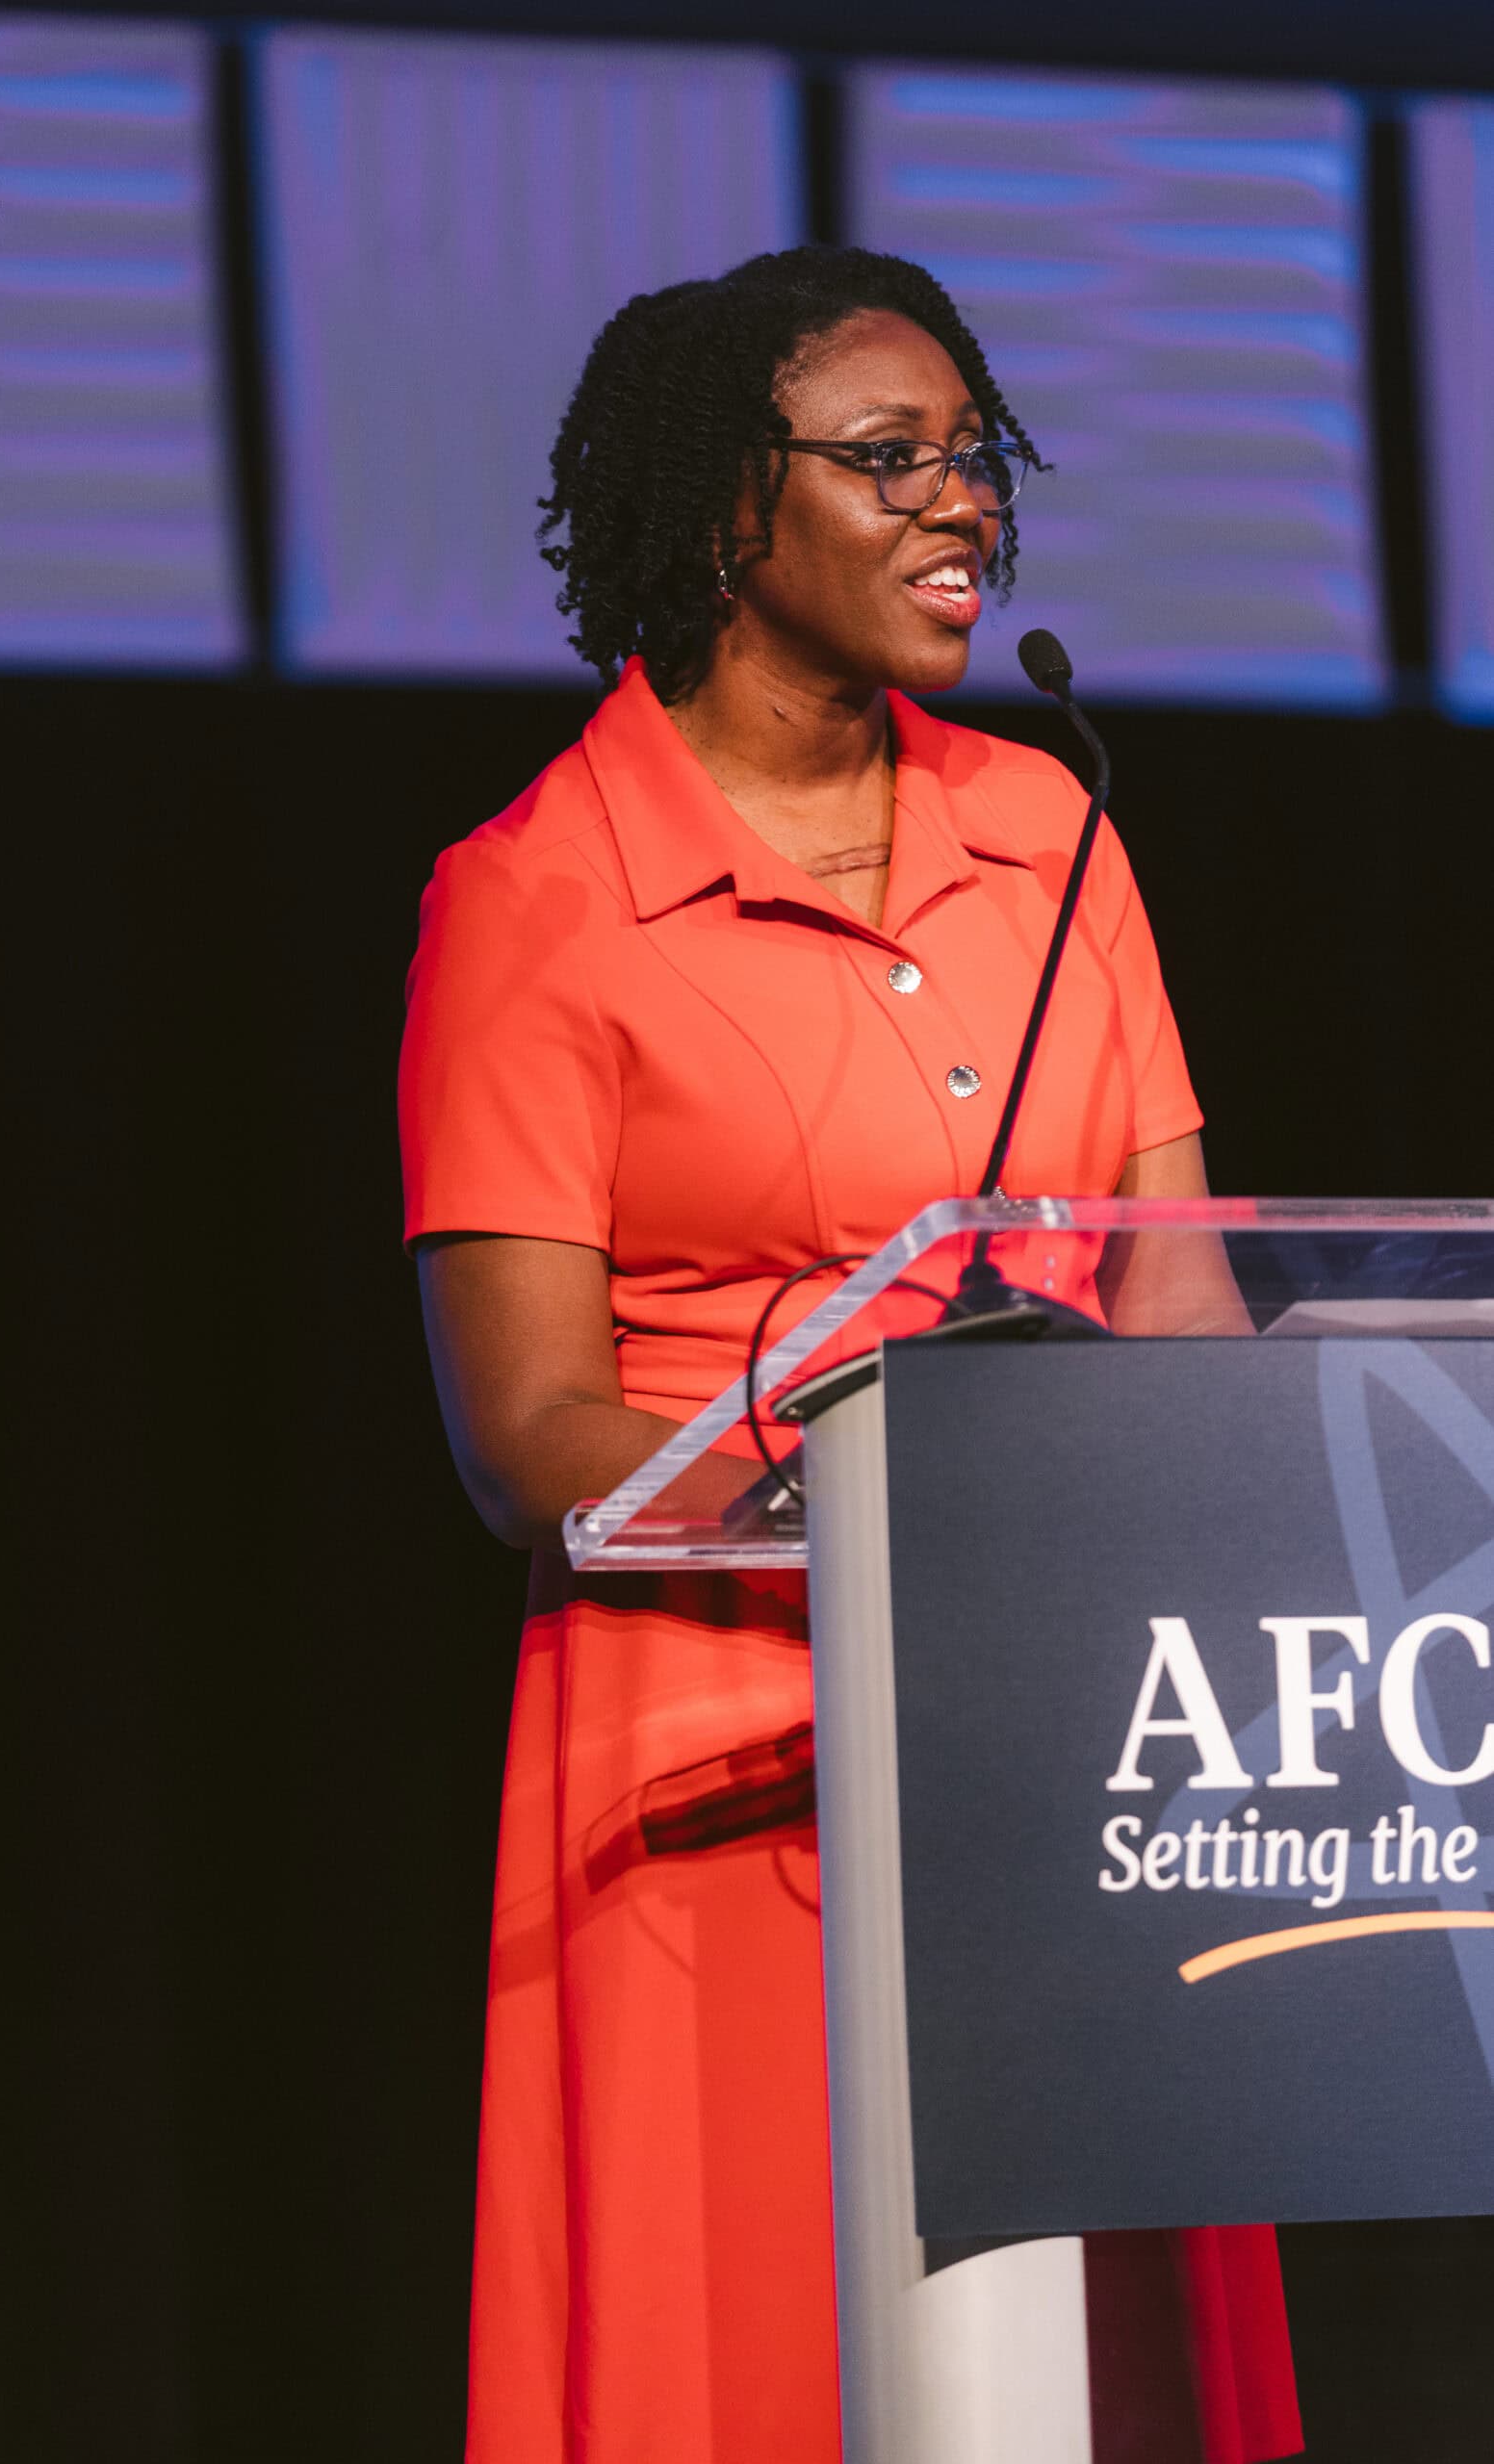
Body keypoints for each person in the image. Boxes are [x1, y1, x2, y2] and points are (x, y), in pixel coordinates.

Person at [400, 245, 1301, 2464]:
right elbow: (527, 1429)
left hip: (1069, 1727)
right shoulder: (535, 897)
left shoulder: (1049, 839)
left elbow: (1167, 1281)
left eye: (972, 452)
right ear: (727, 508)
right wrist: (890, 1499)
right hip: (717, 1740)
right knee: (769, 2354)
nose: (961, 503)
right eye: (886, 458)